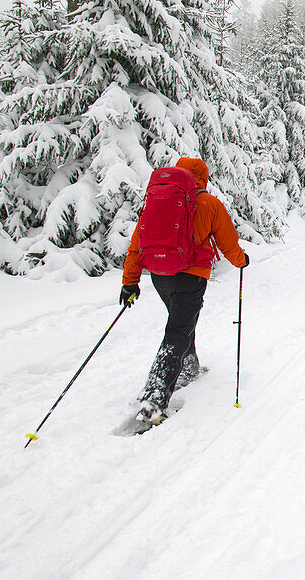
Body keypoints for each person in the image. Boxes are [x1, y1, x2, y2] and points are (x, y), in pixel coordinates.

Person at [119, 156, 249, 424]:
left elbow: (137, 242)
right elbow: (228, 242)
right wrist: (241, 261)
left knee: (181, 322)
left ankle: (188, 368)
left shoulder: (158, 202)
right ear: (202, 178)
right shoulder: (209, 203)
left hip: (159, 275)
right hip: (190, 277)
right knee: (178, 330)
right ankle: (153, 398)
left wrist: (130, 281)